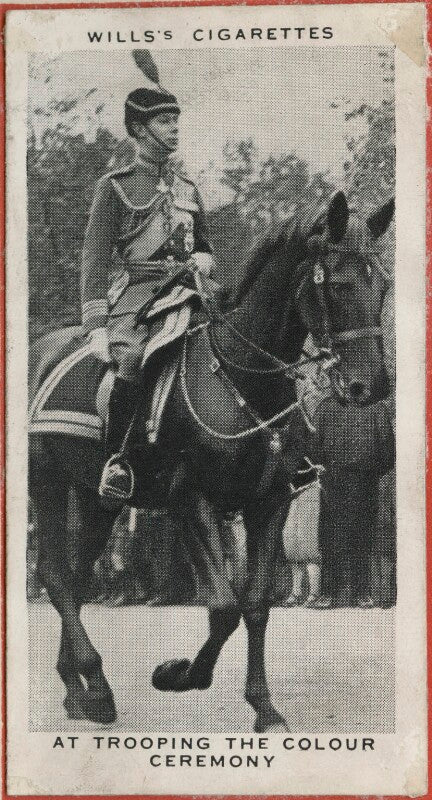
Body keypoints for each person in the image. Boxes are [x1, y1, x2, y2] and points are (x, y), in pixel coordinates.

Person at [81, 86, 214, 507]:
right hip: (138, 299)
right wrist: (96, 326)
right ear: (138, 129)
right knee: (135, 358)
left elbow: (206, 247)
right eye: (163, 121)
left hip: (191, 291)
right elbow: (94, 260)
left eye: (176, 120)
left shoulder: (188, 188)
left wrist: (203, 262)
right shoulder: (116, 187)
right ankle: (118, 462)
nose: (174, 128)